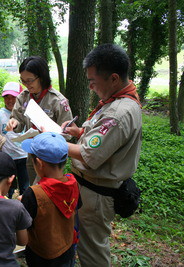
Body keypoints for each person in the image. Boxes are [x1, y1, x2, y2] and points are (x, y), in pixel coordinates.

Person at [62, 43, 142, 266]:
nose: (90, 87)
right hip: (87, 188)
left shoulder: (118, 112)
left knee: (92, 251)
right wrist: (80, 132)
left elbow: (88, 155)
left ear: (114, 78)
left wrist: (52, 143)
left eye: (93, 82)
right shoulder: (115, 103)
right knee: (86, 243)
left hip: (97, 193)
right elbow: (103, 139)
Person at [6, 56, 73, 185]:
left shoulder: (57, 100)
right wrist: (14, 124)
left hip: (51, 158)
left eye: (30, 80)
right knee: (34, 190)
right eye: (23, 80)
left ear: (41, 77)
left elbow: (68, 133)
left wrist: (50, 136)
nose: (26, 84)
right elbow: (18, 120)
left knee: (49, 190)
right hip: (32, 154)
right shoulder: (23, 97)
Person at [21, 132, 79, 266]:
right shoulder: (73, 183)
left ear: (39, 164)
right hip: (68, 249)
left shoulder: (33, 194)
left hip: (41, 257)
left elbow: (23, 225)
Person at [0, 81, 29, 196]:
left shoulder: (25, 114)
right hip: (7, 157)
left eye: (13, 97)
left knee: (25, 187)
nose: (10, 100)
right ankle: (6, 208)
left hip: (24, 155)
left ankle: (23, 210)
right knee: (7, 187)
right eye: (7, 97)